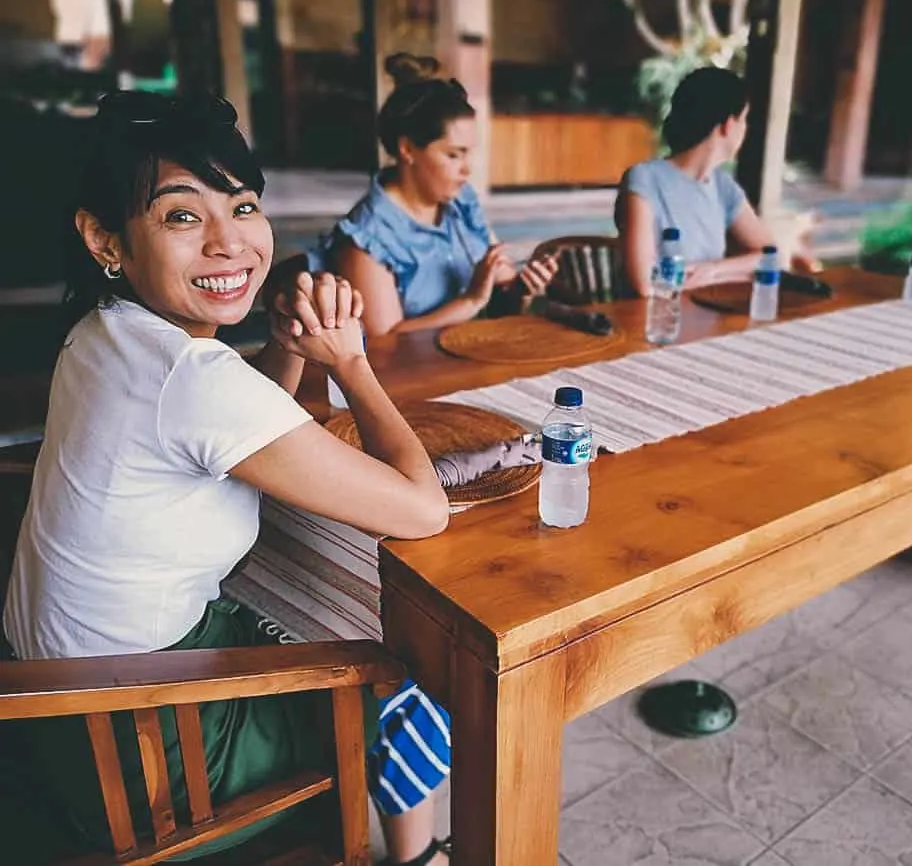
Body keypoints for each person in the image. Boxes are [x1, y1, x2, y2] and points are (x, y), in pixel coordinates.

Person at [2, 91, 452, 866]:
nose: (229, 243)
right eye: (181, 216)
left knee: (320, 601)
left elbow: (238, 434)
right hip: (146, 759)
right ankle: (418, 859)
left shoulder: (102, 330)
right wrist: (351, 363)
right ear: (104, 239)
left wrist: (285, 348)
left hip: (57, 703)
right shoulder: (194, 376)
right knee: (415, 681)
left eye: (242, 207)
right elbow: (422, 510)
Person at [309, 54, 557, 336]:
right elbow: (386, 345)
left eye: (468, 154)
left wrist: (522, 288)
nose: (466, 170)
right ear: (408, 149)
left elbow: (503, 285)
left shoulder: (461, 201)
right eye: (453, 155)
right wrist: (470, 301)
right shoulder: (367, 238)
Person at [615, 66, 818, 297]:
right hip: (653, 322)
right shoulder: (644, 179)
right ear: (728, 125)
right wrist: (739, 275)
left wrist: (713, 270)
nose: (745, 129)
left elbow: (773, 257)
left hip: (708, 314)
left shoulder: (724, 187)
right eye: (744, 119)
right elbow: (645, 286)